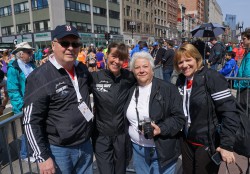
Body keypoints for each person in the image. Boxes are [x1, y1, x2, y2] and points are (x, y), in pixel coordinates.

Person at [23, 25, 93, 174]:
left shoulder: (82, 69)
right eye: (64, 43)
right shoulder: (39, 76)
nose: (70, 48)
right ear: (53, 45)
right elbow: (30, 120)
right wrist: (42, 157)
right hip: (59, 150)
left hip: (85, 145)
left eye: (75, 44)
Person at [174, 43, 240, 174]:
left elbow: (229, 111)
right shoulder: (181, 80)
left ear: (197, 59)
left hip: (207, 142)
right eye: (180, 62)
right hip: (187, 140)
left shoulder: (212, 77)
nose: (185, 65)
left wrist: (226, 144)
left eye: (188, 60)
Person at [124, 51, 185, 174]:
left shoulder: (168, 89)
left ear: (152, 69)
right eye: (137, 67)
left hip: (162, 150)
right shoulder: (129, 90)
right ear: (133, 71)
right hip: (138, 149)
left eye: (145, 66)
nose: (141, 70)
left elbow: (179, 118)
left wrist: (160, 129)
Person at [90, 42, 136, 174]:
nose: (117, 61)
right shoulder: (95, 77)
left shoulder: (129, 77)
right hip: (101, 136)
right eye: (114, 56)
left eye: (121, 58)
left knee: (120, 171)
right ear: (106, 55)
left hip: (121, 136)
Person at [7, 42, 36, 163]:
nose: (31, 54)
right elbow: (13, 90)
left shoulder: (32, 65)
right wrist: (21, 107)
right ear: (20, 54)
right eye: (29, 52)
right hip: (24, 105)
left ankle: (34, 150)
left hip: (35, 102)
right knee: (26, 131)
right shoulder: (14, 68)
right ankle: (24, 154)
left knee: (34, 128)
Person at [234, 29, 250, 117]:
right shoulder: (247, 53)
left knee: (244, 114)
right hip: (244, 88)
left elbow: (248, 75)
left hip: (245, 89)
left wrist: (238, 85)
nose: (242, 41)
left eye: (244, 39)